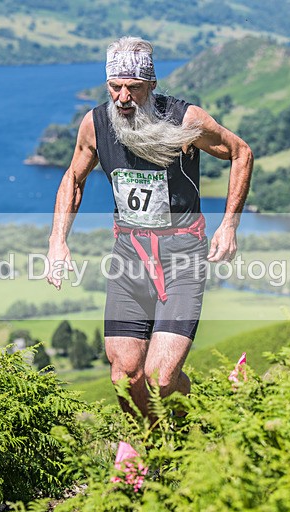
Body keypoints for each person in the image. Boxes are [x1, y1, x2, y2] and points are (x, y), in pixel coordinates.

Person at [47, 36, 252, 419]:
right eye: (115, 87)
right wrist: (57, 241)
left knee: (161, 378)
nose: (123, 97)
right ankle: (155, 448)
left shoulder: (186, 120)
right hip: (129, 259)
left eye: (134, 88)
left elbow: (241, 152)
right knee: (124, 374)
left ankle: (194, 418)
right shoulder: (94, 125)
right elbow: (73, 179)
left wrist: (230, 225)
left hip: (182, 260)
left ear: (152, 85)